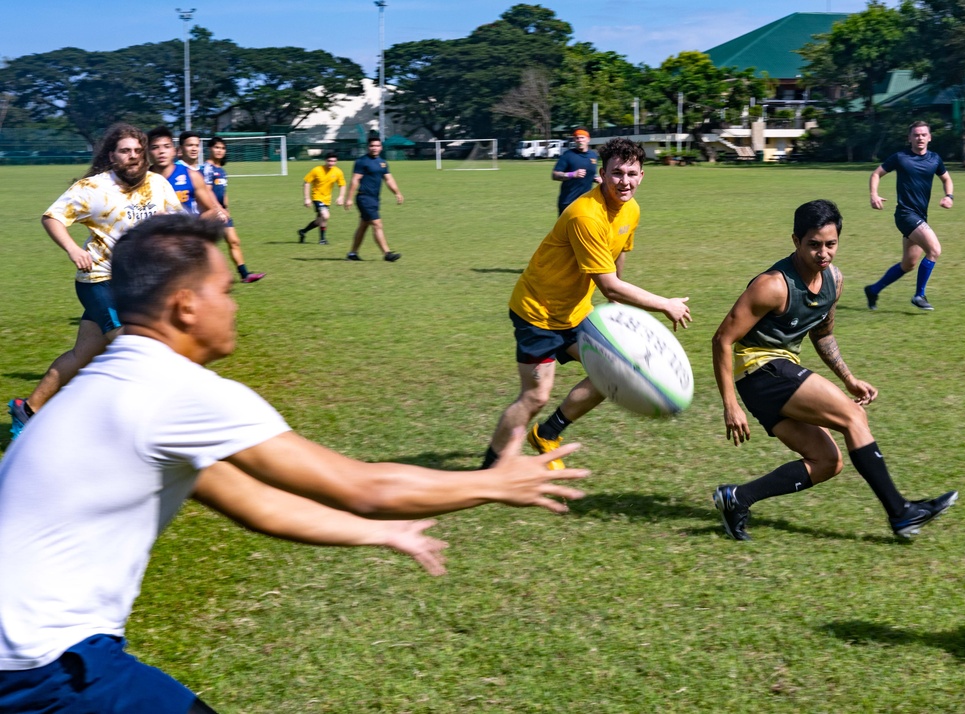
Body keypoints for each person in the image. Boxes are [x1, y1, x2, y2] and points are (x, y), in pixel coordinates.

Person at [0, 212, 587, 714]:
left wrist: (379, 534)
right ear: (184, 306)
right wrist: (492, 482)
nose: (233, 304)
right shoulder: (174, 390)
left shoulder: (105, 382)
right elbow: (363, 485)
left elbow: (257, 505)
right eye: (224, 290)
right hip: (45, 665)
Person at [711, 199, 957, 541]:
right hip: (759, 370)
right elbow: (722, 339)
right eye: (813, 245)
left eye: (830, 244)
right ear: (795, 241)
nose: (823, 253)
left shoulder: (834, 281)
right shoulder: (773, 285)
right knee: (852, 418)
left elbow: (822, 334)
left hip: (778, 374)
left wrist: (849, 379)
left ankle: (737, 499)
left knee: (827, 461)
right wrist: (730, 405)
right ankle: (901, 513)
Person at [481, 137, 691, 471]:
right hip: (538, 312)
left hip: (576, 312)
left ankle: (547, 434)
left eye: (632, 173)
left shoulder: (631, 209)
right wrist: (664, 303)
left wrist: (613, 300)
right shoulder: (585, 215)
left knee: (616, 371)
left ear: (642, 176)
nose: (624, 181)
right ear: (602, 174)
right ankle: (488, 470)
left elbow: (618, 254)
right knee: (536, 396)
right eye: (616, 173)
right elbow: (609, 282)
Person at [7, 122, 184, 439]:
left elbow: (176, 220)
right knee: (133, 349)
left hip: (137, 284)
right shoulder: (92, 188)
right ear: (111, 155)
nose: (133, 156)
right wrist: (73, 248)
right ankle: (132, 427)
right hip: (100, 280)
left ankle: (27, 408)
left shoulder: (158, 184)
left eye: (138, 151)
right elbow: (52, 218)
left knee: (81, 356)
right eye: (125, 150)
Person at [149, 127, 265, 284]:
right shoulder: (143, 178)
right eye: (155, 147)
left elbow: (210, 204)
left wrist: (195, 224)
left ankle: (242, 273)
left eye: (166, 147)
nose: (161, 152)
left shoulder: (194, 175)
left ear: (174, 150)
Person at [865, 120, 954, 311]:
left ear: (929, 137)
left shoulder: (935, 159)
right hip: (905, 215)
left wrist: (949, 196)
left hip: (920, 216)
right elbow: (876, 174)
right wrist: (874, 195)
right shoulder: (900, 157)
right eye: (916, 135)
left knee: (908, 264)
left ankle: (873, 290)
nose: (920, 138)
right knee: (935, 250)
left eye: (923, 134)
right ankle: (919, 295)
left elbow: (946, 178)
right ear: (909, 138)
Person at [202, 136, 266, 283]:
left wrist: (226, 208)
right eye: (216, 147)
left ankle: (245, 275)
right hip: (210, 212)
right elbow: (207, 191)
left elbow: (223, 192)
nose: (220, 150)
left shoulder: (222, 171)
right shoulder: (207, 168)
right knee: (207, 246)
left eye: (222, 148)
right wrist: (218, 209)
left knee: (234, 241)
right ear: (210, 149)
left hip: (222, 211)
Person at [344, 137, 402, 262]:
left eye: (377, 146)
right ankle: (387, 253)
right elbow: (355, 180)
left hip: (375, 199)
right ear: (368, 147)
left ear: (381, 147)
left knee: (364, 225)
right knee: (377, 223)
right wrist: (348, 198)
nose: (374, 148)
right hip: (364, 197)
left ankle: (352, 254)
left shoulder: (382, 162)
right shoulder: (362, 161)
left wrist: (397, 193)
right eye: (372, 146)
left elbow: (389, 179)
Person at [552, 128, 602, 215]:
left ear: (588, 139)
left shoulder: (593, 156)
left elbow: (591, 173)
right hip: (568, 202)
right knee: (565, 229)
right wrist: (572, 174)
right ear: (574, 140)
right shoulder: (568, 155)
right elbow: (555, 175)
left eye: (582, 137)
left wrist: (596, 178)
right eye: (577, 138)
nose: (580, 140)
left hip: (585, 202)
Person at [299, 151, 345, 245]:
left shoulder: (338, 171)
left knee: (319, 220)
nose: (331, 163)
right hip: (317, 197)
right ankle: (322, 240)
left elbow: (342, 185)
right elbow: (306, 182)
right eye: (329, 161)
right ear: (325, 160)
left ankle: (303, 231)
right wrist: (307, 198)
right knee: (326, 215)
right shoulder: (317, 170)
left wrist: (341, 197)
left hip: (327, 199)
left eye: (333, 161)